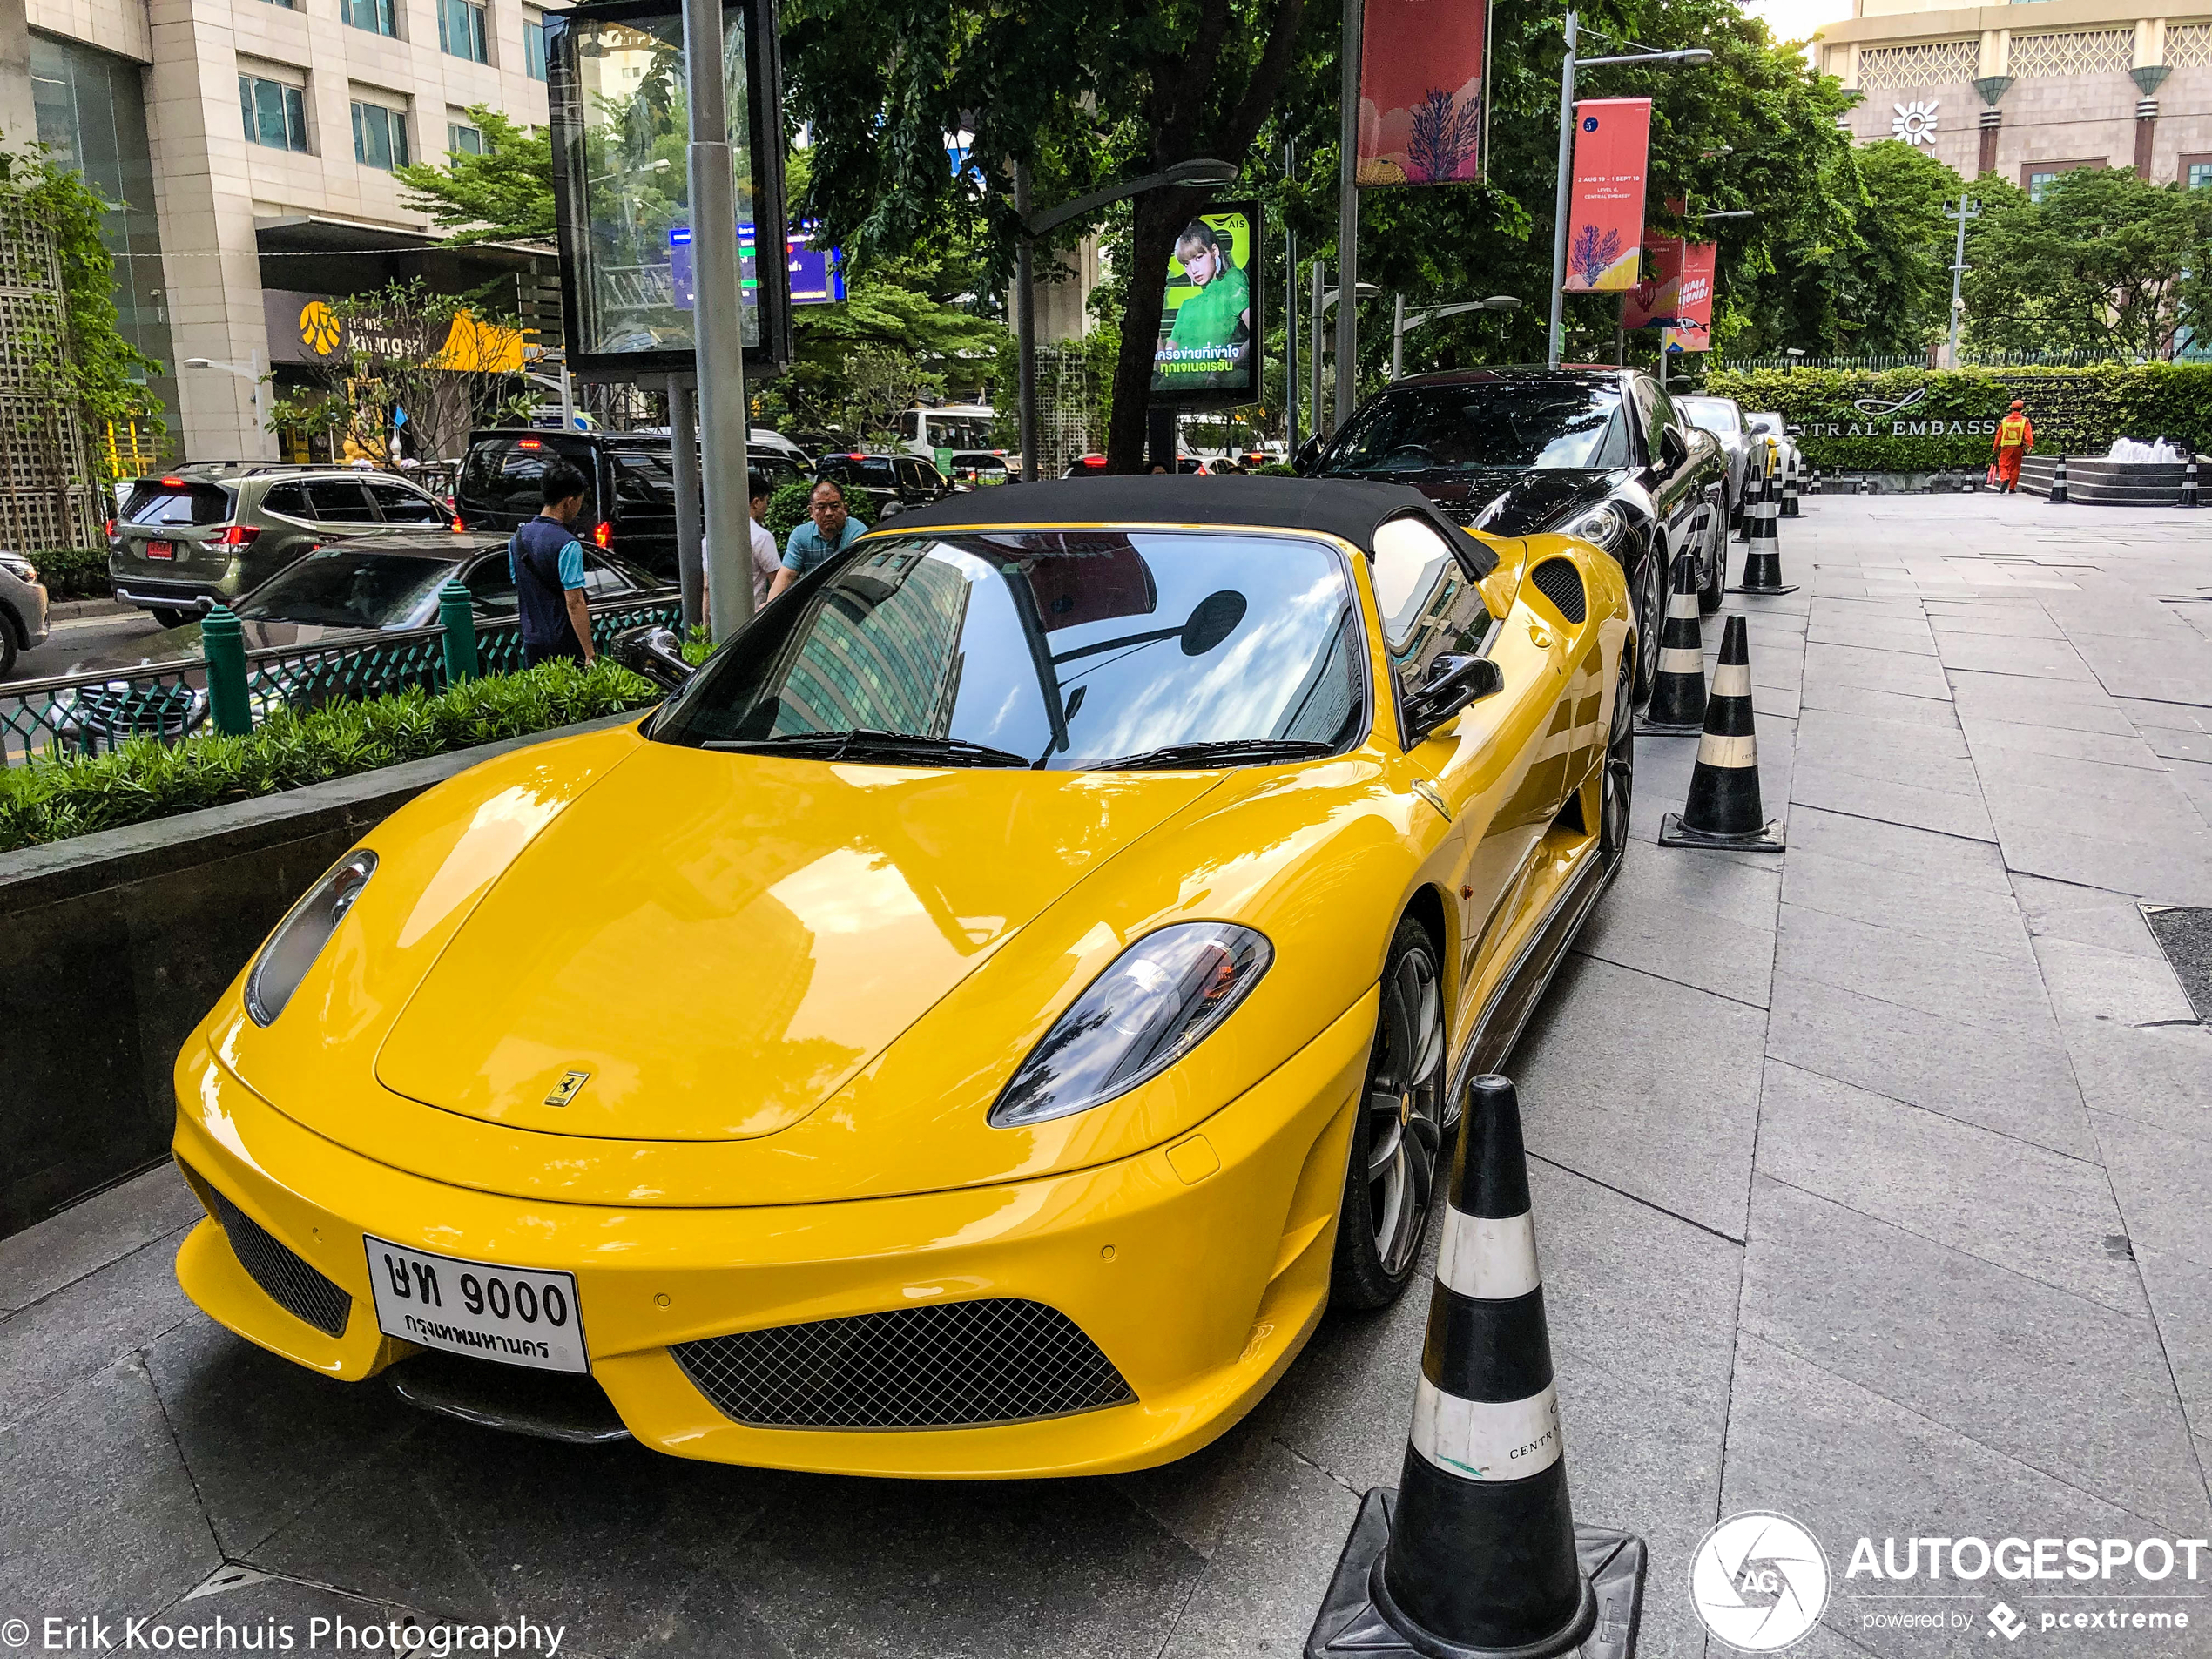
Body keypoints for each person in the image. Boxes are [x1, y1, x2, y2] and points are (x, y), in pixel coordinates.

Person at [509, 458, 597, 667]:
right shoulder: (568, 544)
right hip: (565, 643)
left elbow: (519, 585)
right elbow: (575, 602)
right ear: (569, 501)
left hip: (532, 642)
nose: (579, 508)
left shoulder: (517, 539)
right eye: (579, 502)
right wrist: (589, 653)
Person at [767, 479, 868, 600]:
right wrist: (770, 608)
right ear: (811, 511)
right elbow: (787, 576)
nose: (828, 513)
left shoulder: (859, 535)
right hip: (811, 604)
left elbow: (862, 578)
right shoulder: (801, 535)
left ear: (845, 509)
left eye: (834, 506)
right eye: (821, 507)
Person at [1166, 221, 1251, 356]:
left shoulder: (1232, 280)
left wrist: (1232, 362)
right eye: (1186, 264)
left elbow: (1256, 331)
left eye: (1198, 258)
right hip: (1173, 377)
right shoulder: (1187, 306)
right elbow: (1163, 363)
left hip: (1212, 377)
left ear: (1214, 251)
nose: (1193, 270)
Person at [747, 471, 780, 609]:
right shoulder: (762, 537)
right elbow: (778, 582)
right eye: (766, 501)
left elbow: (707, 588)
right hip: (753, 618)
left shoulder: (711, 539)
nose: (766, 507)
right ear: (756, 502)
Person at [1993, 398, 2035, 493]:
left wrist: (1995, 447)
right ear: (2022, 409)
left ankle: (2004, 478)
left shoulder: (2005, 421)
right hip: (2018, 447)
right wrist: (2030, 445)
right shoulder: (2024, 421)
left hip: (2006, 448)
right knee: (2015, 467)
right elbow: (2028, 434)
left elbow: (1999, 435)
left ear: (2012, 408)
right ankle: (2012, 488)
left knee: (2003, 465)